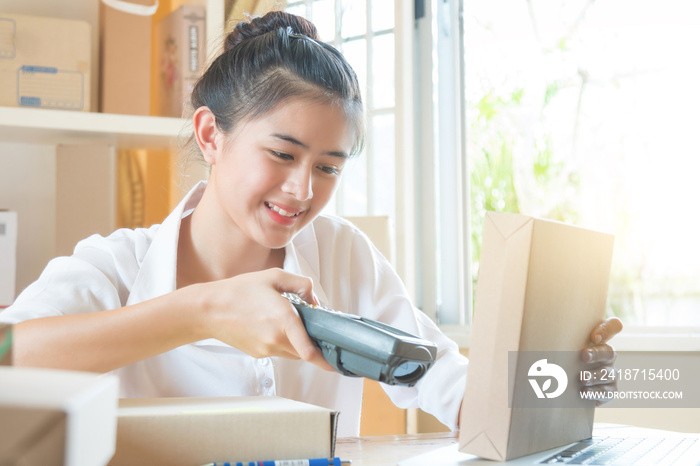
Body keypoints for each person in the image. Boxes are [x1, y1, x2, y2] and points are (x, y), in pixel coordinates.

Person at [0, 11, 621, 437]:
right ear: (211, 135)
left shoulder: (342, 254)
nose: (303, 191)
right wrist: (200, 311)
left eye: (328, 167)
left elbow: (445, 382)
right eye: (281, 154)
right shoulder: (117, 266)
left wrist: (555, 385)